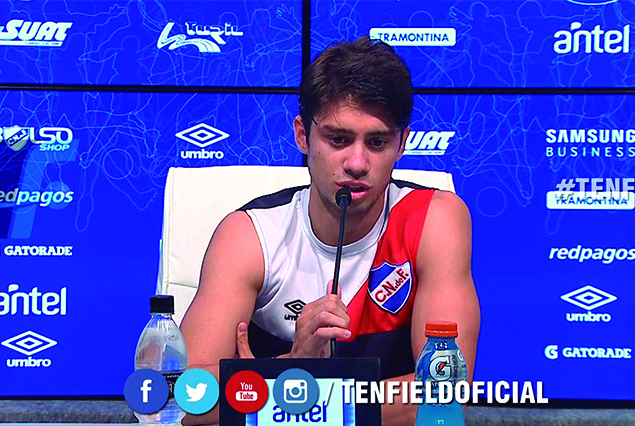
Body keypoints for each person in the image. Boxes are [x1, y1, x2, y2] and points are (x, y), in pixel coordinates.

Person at [180, 36, 480, 426]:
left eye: (377, 142)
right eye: (338, 139)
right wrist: (294, 363)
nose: (357, 163)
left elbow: (446, 395)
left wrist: (294, 392)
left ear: (403, 143)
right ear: (303, 136)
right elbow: (185, 397)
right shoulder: (250, 235)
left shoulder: (434, 220)